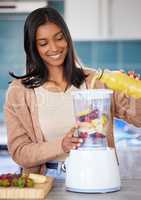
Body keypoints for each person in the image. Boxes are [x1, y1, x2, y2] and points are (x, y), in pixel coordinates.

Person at [4, 6, 141, 177]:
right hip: (48, 181)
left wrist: (135, 92)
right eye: (43, 43)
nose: (54, 48)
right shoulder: (19, 92)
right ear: (33, 48)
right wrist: (61, 145)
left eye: (59, 38)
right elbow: (20, 152)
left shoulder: (97, 81)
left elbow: (138, 118)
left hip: (98, 176)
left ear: (67, 38)